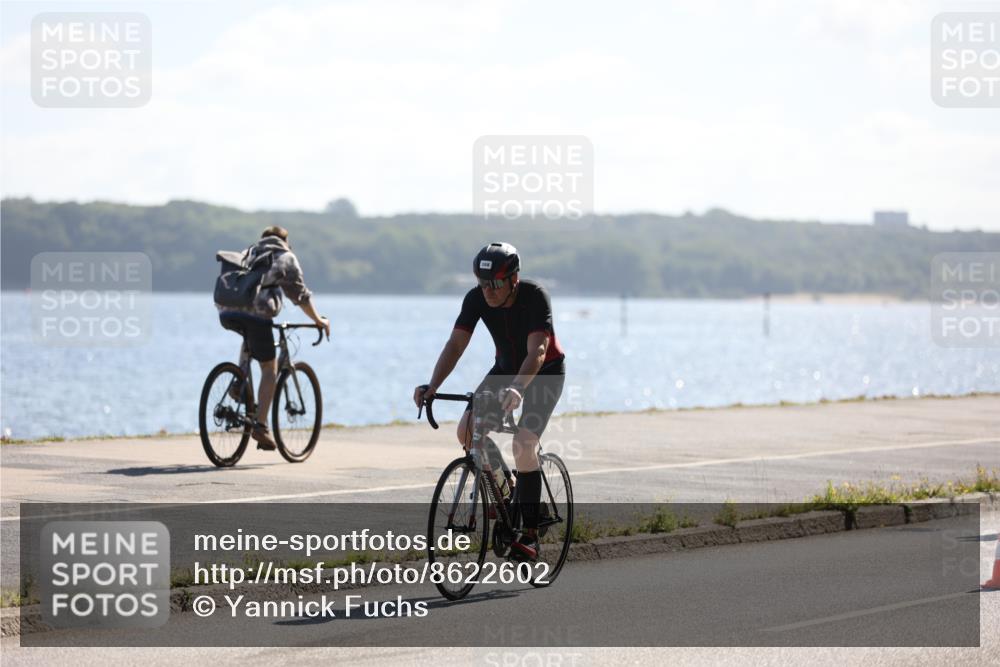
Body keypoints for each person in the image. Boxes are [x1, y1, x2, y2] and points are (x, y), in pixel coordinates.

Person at [413, 242, 566, 561]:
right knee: (467, 432)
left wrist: (519, 389)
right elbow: (456, 344)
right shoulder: (475, 299)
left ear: (513, 279)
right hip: (504, 371)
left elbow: (538, 352)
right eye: (482, 284)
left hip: (544, 372)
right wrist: (433, 385)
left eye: (495, 283)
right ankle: (508, 489)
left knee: (523, 444)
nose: (488, 291)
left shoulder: (535, 295)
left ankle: (531, 534)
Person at [217, 226, 330, 450]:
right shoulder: (286, 257)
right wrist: (318, 320)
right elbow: (300, 296)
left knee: (249, 340)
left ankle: (239, 383)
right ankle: (260, 425)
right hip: (257, 314)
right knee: (269, 369)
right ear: (286, 241)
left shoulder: (249, 252)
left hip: (227, 311)